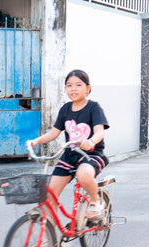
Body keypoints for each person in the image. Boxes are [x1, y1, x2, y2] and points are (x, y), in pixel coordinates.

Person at [29, 69, 109, 219]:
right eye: (69, 85)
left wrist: (91, 141)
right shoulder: (65, 109)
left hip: (90, 155)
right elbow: (54, 133)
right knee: (49, 196)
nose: (73, 88)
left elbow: (100, 132)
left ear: (88, 88)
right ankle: (49, 238)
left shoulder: (94, 107)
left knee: (83, 175)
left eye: (78, 85)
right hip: (69, 156)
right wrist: (36, 140)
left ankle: (95, 201)